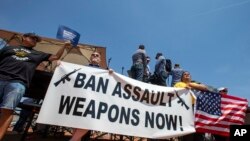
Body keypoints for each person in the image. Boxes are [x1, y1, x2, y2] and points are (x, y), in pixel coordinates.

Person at [0, 32, 69, 140]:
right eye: (32, 38)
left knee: (7, 110)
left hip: (18, 83)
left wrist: (64, 45)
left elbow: (55, 56)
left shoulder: (38, 54)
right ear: (24, 37)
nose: (34, 40)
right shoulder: (8, 48)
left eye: (36, 40)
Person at [69, 51, 113, 141]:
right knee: (76, 121)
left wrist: (111, 73)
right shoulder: (82, 68)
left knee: (88, 121)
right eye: (93, 55)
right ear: (90, 57)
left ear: (100, 60)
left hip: (93, 100)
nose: (95, 56)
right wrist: (60, 64)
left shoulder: (103, 72)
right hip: (81, 96)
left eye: (97, 55)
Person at [174, 71, 208, 141]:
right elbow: (175, 92)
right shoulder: (179, 84)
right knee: (189, 132)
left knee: (198, 132)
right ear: (181, 78)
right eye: (184, 74)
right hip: (185, 109)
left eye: (188, 74)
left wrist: (190, 84)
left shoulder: (193, 84)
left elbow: (204, 88)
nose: (186, 75)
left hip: (195, 109)